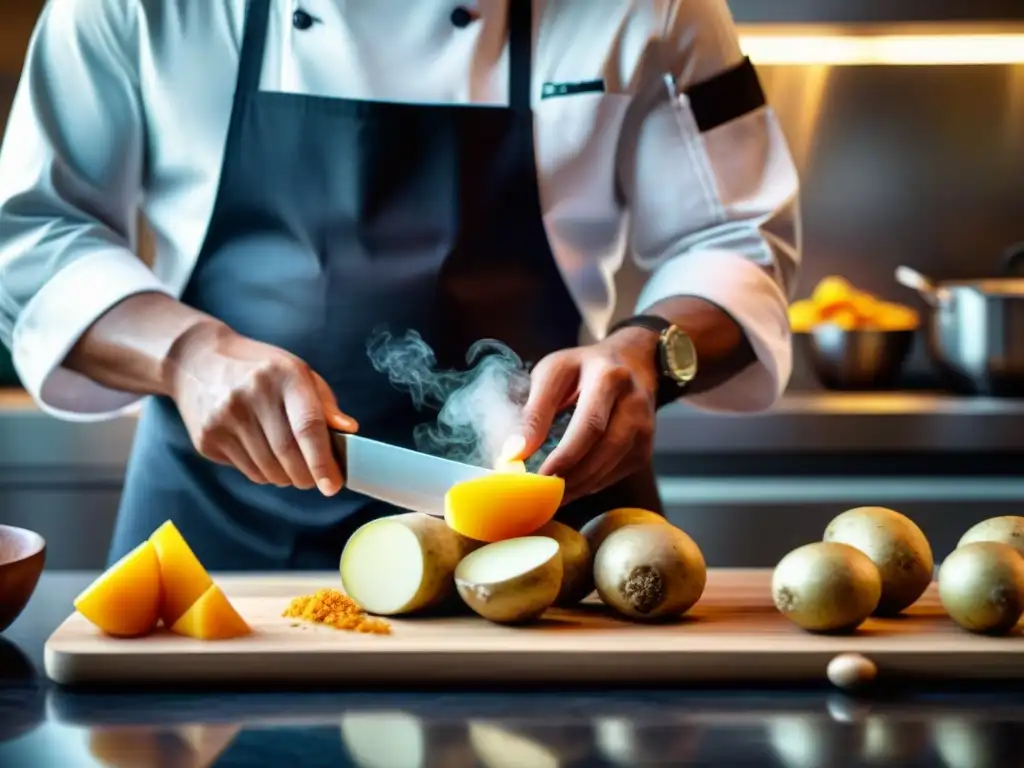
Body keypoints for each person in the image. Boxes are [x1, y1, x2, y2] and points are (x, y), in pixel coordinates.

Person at [0, 0, 800, 570]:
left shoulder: (658, 6)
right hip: (222, 546)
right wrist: (187, 355)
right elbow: (31, 237)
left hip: (545, 548)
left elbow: (734, 240)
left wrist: (646, 356)